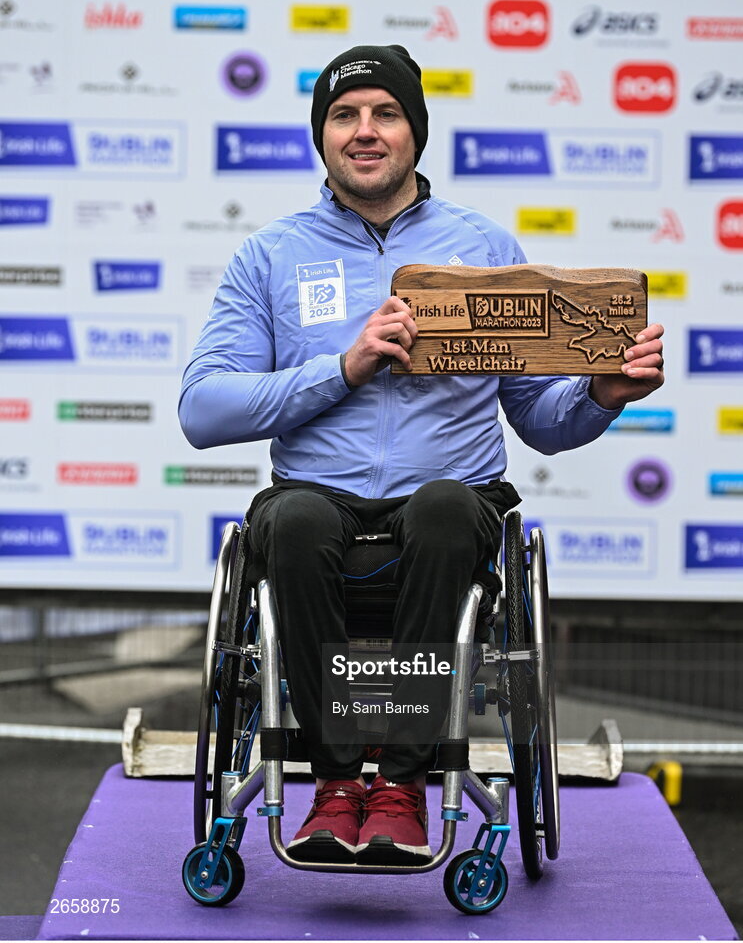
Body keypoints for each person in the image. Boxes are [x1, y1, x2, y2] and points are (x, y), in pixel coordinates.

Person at [179, 44, 665, 867]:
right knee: (292, 517)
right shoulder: (271, 255)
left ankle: (401, 788)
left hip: (449, 511)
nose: (364, 132)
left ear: (415, 132)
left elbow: (539, 423)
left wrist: (600, 395)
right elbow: (201, 410)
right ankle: (335, 788)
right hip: (317, 510)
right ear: (321, 135)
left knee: (444, 506)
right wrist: (343, 368)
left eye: (385, 113)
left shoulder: (482, 247)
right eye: (344, 115)